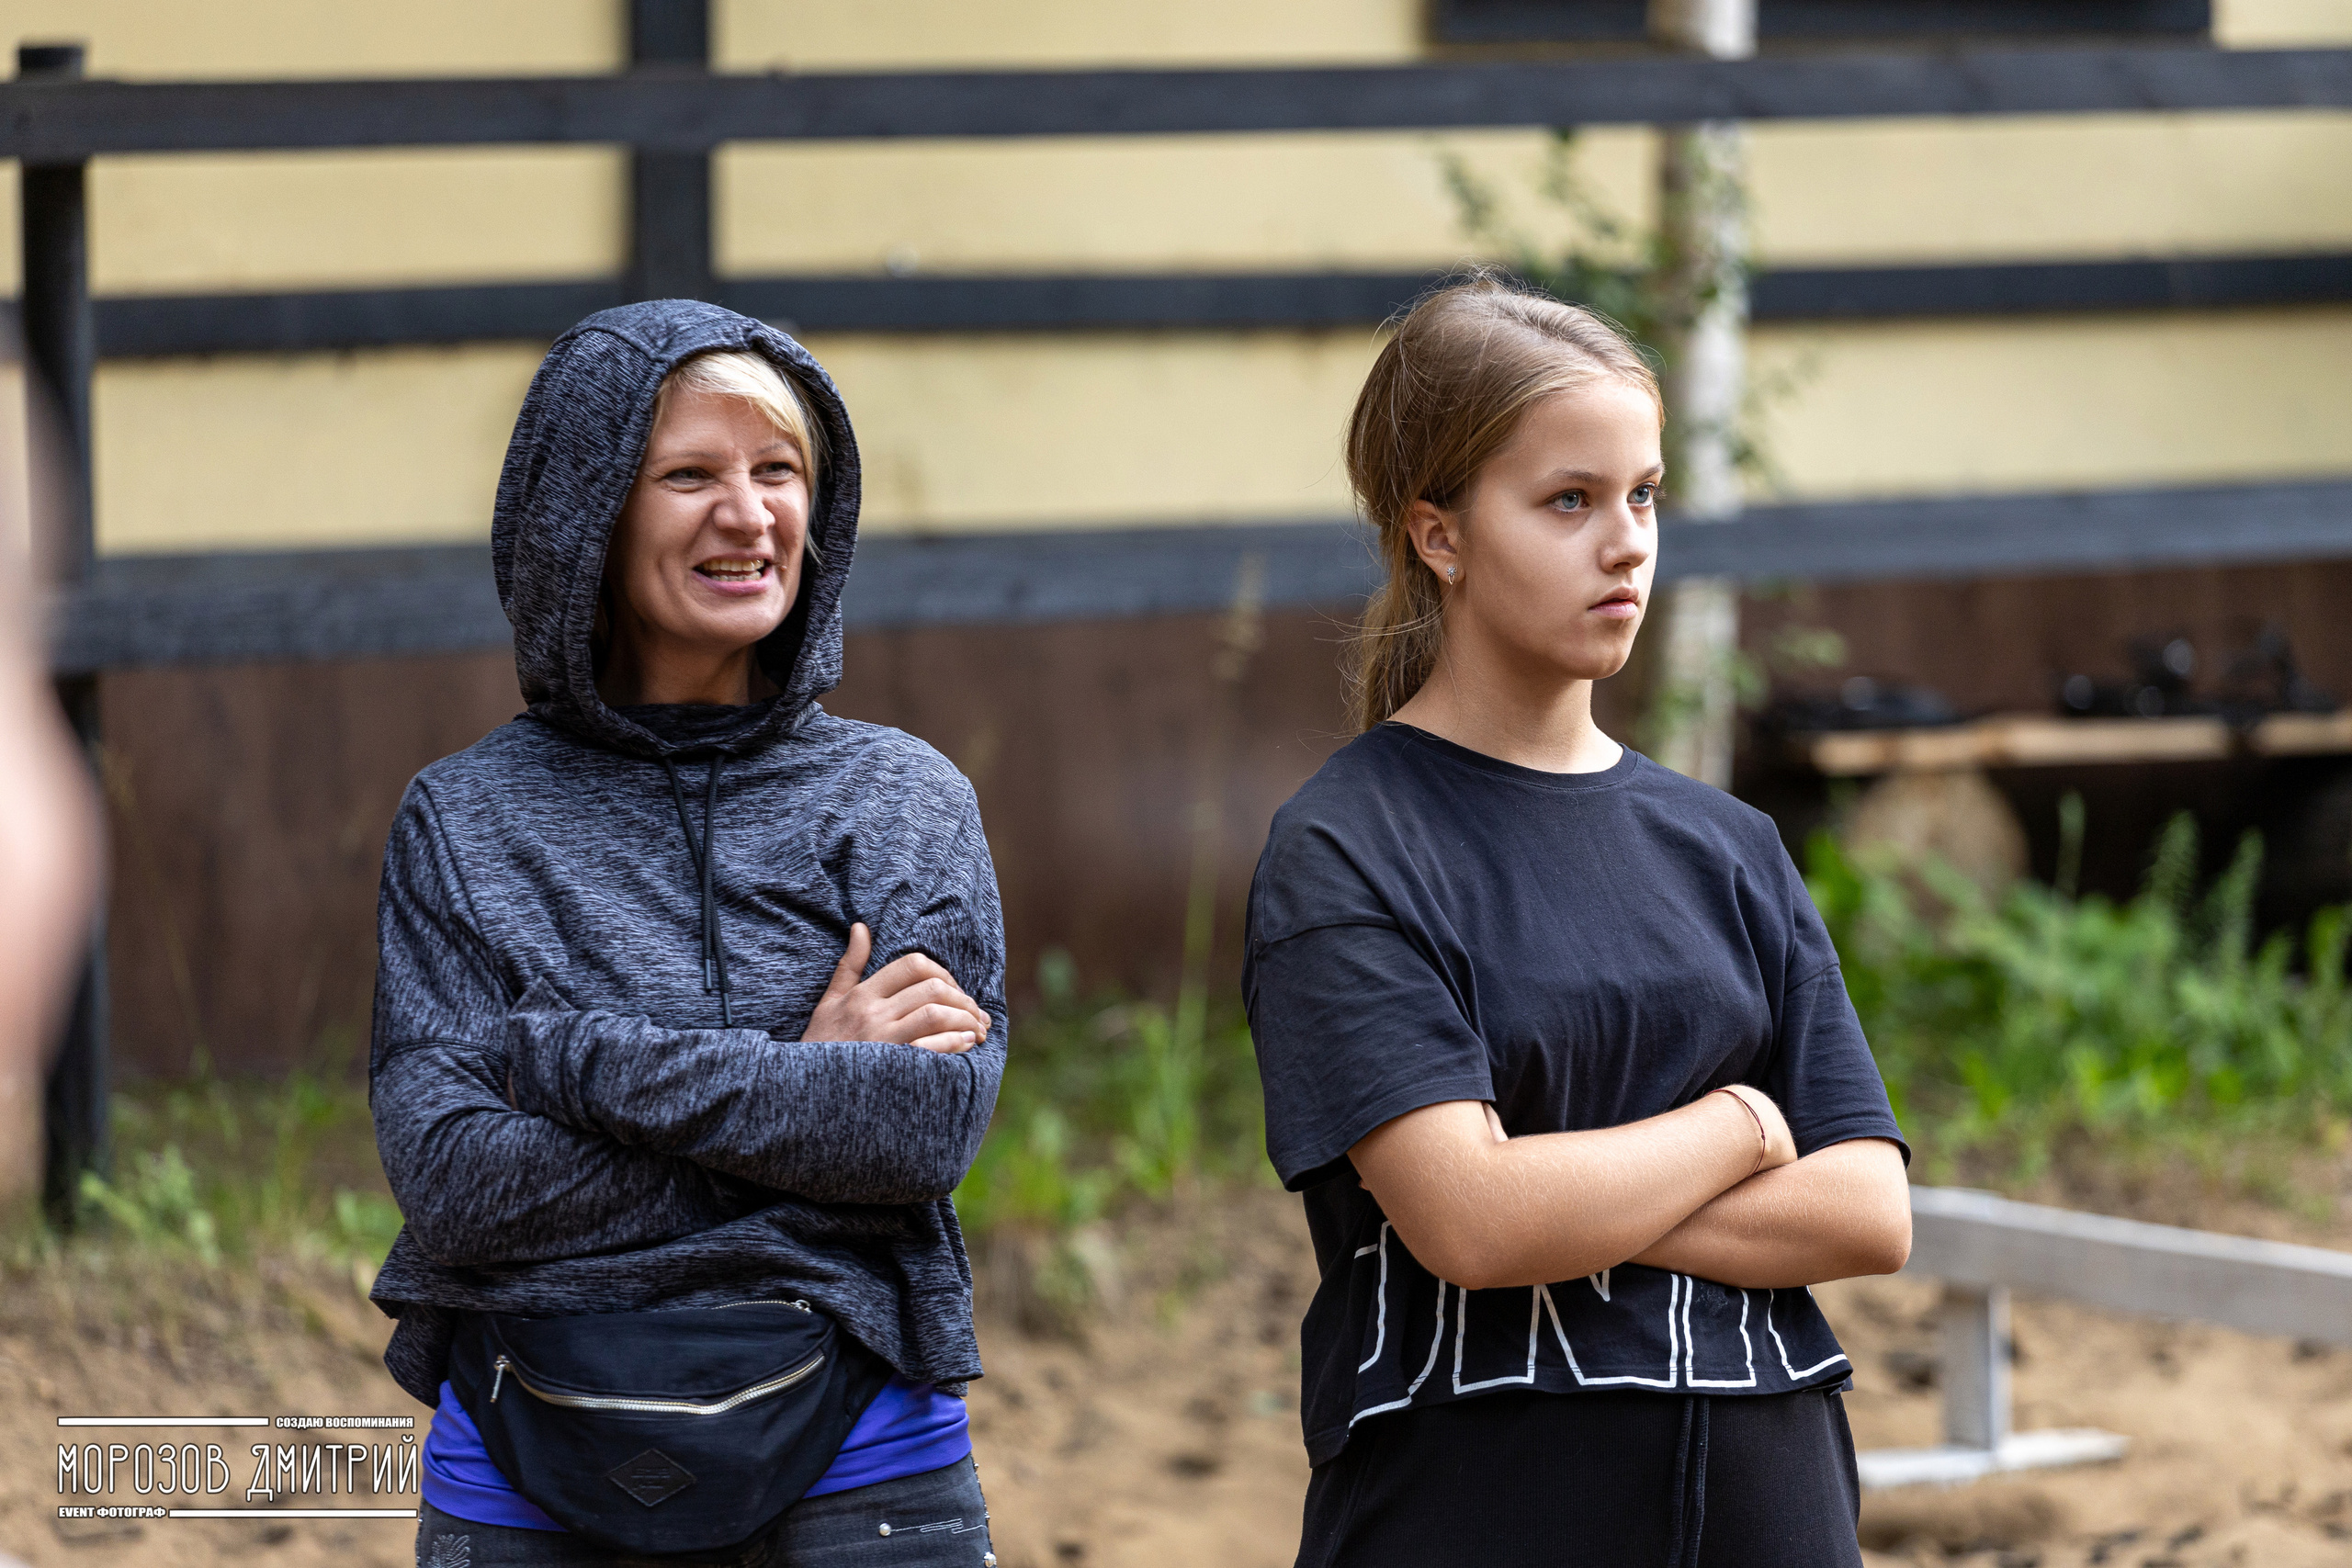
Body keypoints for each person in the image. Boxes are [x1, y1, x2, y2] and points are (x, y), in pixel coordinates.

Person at [1242, 275, 1912, 1568]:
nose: (1627, 544)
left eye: (1644, 495)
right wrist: (1741, 1125)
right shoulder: (1347, 848)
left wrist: (1568, 1193)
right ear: (1438, 534)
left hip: (1776, 1498)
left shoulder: (1728, 847)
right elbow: (1474, 1227)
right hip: (1477, 1505)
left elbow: (1868, 1211)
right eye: (1570, 500)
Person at [368, 300, 1004, 1566]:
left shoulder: (903, 799)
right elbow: (452, 1183)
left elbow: (920, 1129)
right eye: (690, 475)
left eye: (780, 473)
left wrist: (568, 1066)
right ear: (584, 516)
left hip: (860, 1452)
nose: (750, 514)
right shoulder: (464, 819)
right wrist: (805, 1082)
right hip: (524, 1453)